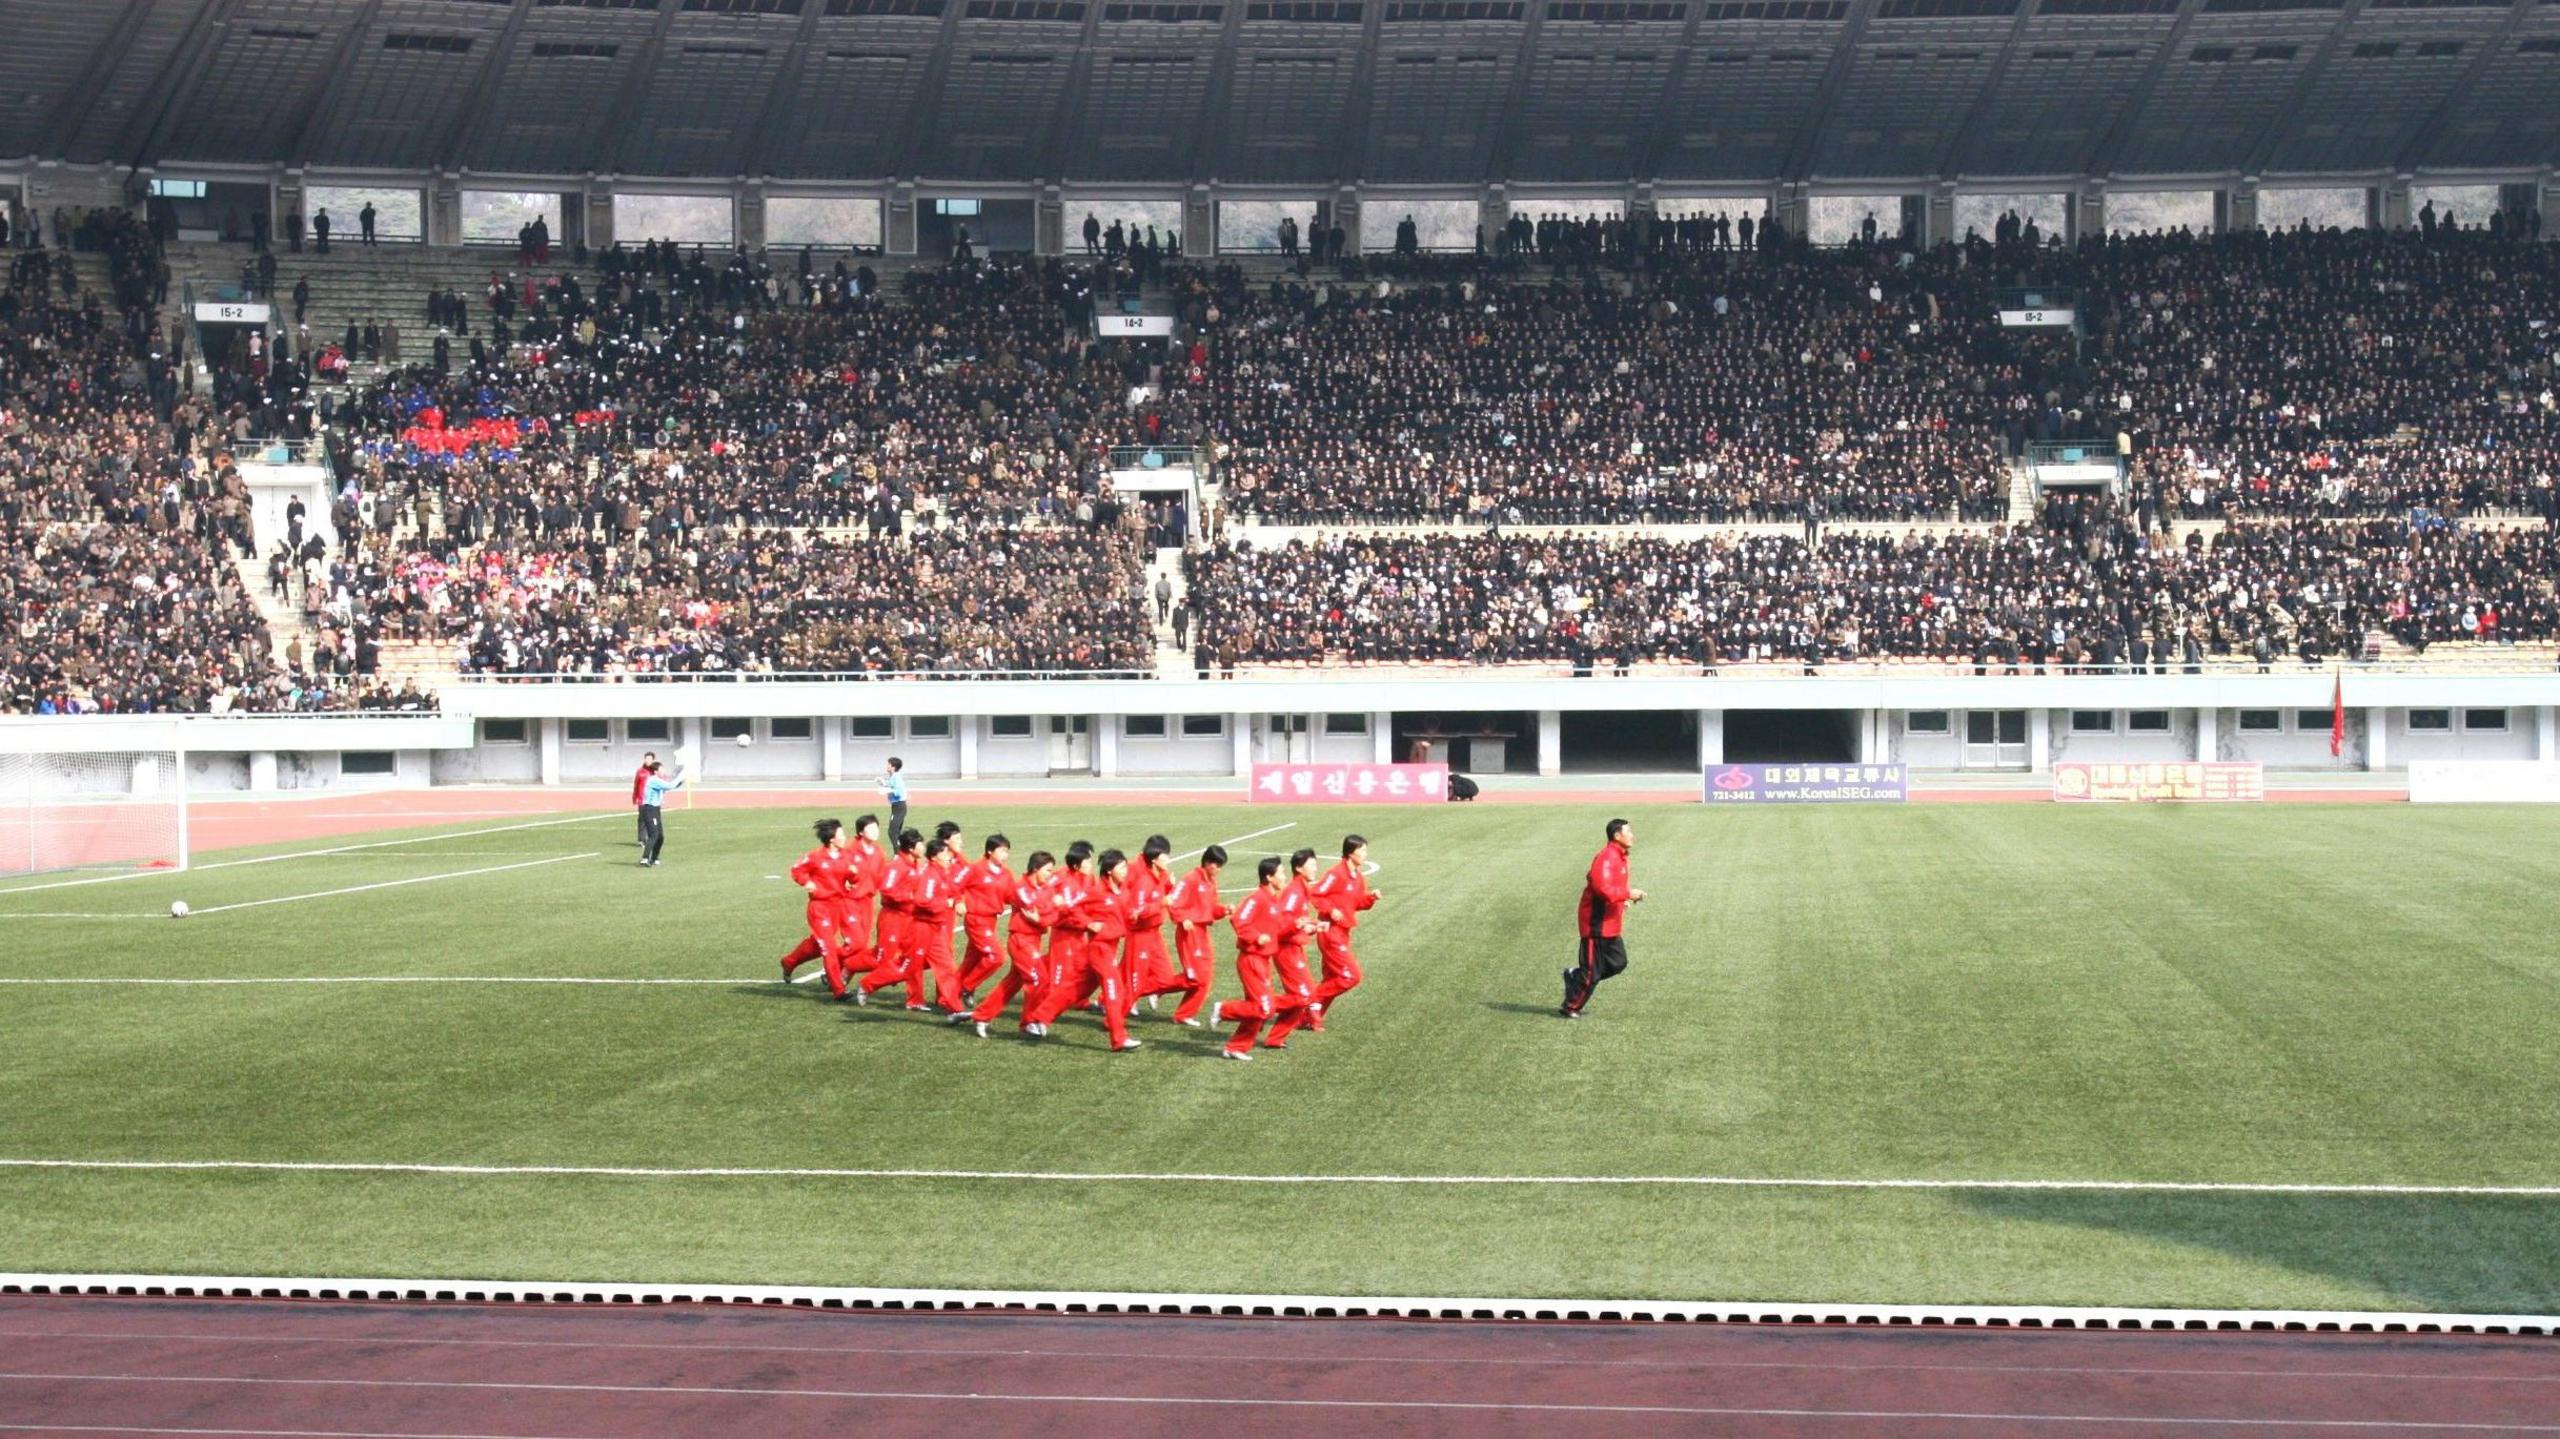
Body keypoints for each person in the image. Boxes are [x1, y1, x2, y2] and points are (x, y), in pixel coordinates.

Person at [1272, 833, 1376, 1041]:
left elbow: (1357, 903)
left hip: (1344, 932)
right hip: (1331, 933)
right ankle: (1311, 1002)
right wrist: (1331, 910)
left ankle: (1310, 1019)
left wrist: (1371, 899)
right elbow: (1317, 894)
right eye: (1362, 850)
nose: (1365, 854)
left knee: (1332, 978)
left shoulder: (1359, 878)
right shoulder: (1336, 874)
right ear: (1350, 853)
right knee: (1350, 976)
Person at [1216, 856, 1308, 1060]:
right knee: (1263, 1008)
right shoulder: (1257, 898)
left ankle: (1236, 1047)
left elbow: (1278, 929)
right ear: (1269, 877)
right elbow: (1239, 920)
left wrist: (1299, 926)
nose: (1285, 877)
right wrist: (1256, 937)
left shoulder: (1273, 900)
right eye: (1281, 873)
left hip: (1263, 961)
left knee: (1259, 1008)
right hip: (1250, 959)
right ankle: (1223, 1009)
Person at [969, 849, 1061, 1038]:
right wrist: (1049, 910)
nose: (1050, 875)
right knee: (1039, 979)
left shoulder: (1045, 889)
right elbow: (1036, 911)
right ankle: (1029, 1022)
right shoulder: (1020, 888)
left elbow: (1049, 916)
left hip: (1033, 941)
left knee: (1011, 984)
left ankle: (981, 1015)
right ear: (1036, 868)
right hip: (1020, 940)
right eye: (1048, 870)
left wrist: (1045, 914)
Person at [1561, 818, 1644, 1018]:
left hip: (1611, 923)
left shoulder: (1620, 857)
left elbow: (1610, 887)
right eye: (1628, 831)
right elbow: (1602, 889)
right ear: (1617, 836)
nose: (1632, 835)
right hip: (1596, 924)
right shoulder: (1607, 858)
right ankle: (1570, 1006)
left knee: (1618, 962)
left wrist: (1621, 901)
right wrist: (1628, 894)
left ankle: (1574, 975)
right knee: (1591, 973)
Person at [778, 818, 859, 994]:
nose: (845, 837)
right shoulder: (816, 856)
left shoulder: (846, 856)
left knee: (819, 944)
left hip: (837, 907)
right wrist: (806, 881)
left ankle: (790, 961)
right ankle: (838, 989)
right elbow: (796, 870)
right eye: (841, 835)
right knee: (829, 947)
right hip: (819, 908)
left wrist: (854, 876)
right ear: (831, 839)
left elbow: (852, 879)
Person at [1160, 843, 1228, 1026]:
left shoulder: (1211, 882)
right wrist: (1182, 919)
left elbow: (1212, 909)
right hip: (1189, 932)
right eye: (1217, 865)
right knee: (1195, 977)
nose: (1219, 869)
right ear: (1207, 862)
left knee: (1206, 977)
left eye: (1221, 866)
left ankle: (1184, 1014)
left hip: (1202, 932)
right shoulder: (1191, 878)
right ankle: (1154, 988)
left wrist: (1224, 910)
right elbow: (1173, 901)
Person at [951, 832, 1017, 1008]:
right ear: (990, 851)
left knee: (971, 961)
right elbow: (955, 885)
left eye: (1007, 851)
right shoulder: (975, 869)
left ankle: (947, 995)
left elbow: (1012, 896)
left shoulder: (1006, 873)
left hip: (991, 921)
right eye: (1002, 851)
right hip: (976, 919)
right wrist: (958, 901)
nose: (1005, 855)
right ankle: (967, 987)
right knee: (996, 957)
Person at [1123, 834, 1177, 1015]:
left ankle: (1119, 1000)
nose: (1169, 859)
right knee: (1134, 980)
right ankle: (1116, 1014)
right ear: (1154, 858)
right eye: (1165, 855)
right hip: (1139, 934)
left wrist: (1169, 887)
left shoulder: (1159, 874)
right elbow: (1139, 910)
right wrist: (1162, 902)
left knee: (1166, 978)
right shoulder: (1141, 877)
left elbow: (1161, 895)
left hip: (1154, 932)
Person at [636, 756, 685, 867]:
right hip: (649, 809)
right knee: (654, 835)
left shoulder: (658, 780)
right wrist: (681, 775)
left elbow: (670, 786)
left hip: (655, 810)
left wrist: (681, 779)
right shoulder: (654, 780)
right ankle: (644, 858)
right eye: (662, 769)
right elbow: (670, 785)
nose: (664, 771)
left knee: (660, 836)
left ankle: (654, 858)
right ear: (656, 771)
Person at [876, 756, 908, 840]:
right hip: (896, 806)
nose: (886, 766)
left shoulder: (896, 777)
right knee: (895, 832)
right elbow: (890, 785)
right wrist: (882, 783)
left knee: (892, 832)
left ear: (893, 767)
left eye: (888, 764)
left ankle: (897, 852)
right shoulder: (893, 776)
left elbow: (899, 792)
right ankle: (899, 851)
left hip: (899, 806)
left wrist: (887, 790)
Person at [631, 751, 658, 846]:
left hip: (653, 800)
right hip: (642, 799)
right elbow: (636, 785)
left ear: (653, 760)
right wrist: (634, 797)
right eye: (646, 758)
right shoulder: (640, 771)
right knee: (642, 819)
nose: (648, 760)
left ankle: (652, 838)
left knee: (652, 819)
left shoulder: (655, 771)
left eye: (650, 759)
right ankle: (641, 839)